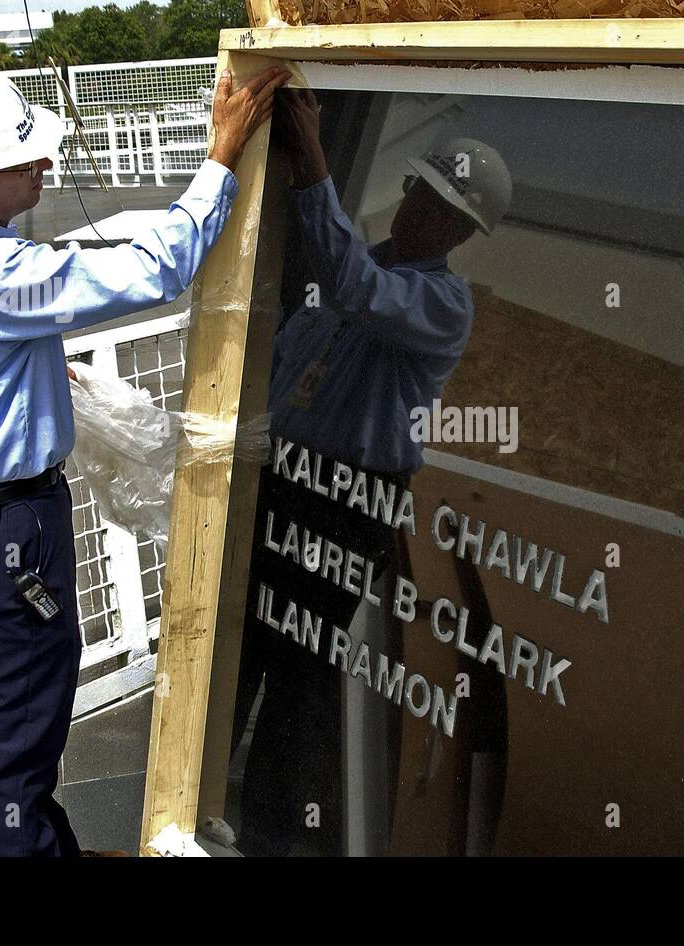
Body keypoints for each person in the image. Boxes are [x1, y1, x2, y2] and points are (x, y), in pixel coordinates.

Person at [0, 61, 289, 857]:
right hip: (13, 529)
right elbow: (152, 269)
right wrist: (220, 158)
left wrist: (9, 374)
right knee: (21, 745)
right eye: (21, 159)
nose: (44, 165)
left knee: (13, 721)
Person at [229, 87, 511, 854]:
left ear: (462, 230)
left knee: (299, 676)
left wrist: (314, 160)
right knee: (242, 646)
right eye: (419, 187)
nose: (416, 204)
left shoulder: (441, 302)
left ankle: (267, 839)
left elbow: (354, 287)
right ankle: (200, 801)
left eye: (438, 203)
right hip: (285, 477)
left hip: (344, 500)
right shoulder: (366, 264)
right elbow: (294, 360)